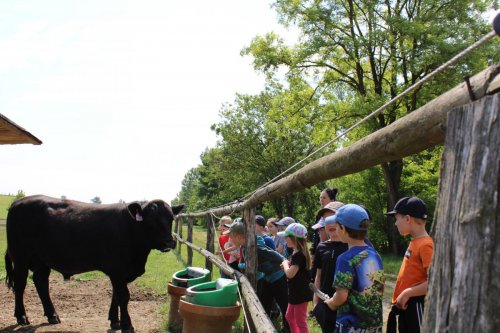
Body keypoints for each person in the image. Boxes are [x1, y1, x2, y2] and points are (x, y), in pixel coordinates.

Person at [325, 204, 385, 333]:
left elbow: (341, 296)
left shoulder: (345, 259)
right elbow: (380, 289)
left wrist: (331, 302)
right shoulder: (375, 254)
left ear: (342, 228)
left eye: (336, 226)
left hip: (351, 327)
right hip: (374, 326)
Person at [225, 222, 290, 332]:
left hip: (277, 276)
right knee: (264, 303)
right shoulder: (246, 246)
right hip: (267, 276)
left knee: (283, 302)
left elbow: (275, 255)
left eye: (231, 237)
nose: (230, 240)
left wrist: (285, 262)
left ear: (238, 236)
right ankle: (264, 325)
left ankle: (288, 328)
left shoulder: (256, 247)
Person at [385, 197, 434, 333]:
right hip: (408, 306)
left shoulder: (426, 245)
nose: (395, 224)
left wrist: (407, 293)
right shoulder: (415, 242)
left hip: (417, 305)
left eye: (397, 218)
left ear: (407, 218)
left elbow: (434, 282)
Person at [311, 202, 347, 333]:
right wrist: (316, 304)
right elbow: (318, 275)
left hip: (346, 308)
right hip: (325, 305)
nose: (330, 223)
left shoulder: (353, 246)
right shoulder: (322, 247)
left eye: (333, 218)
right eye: (326, 219)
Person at [279, 223, 313, 333]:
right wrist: (288, 263)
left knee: (300, 320)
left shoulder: (299, 255)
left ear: (294, 238)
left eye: (286, 237)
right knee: (289, 316)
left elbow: (290, 274)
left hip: (301, 293)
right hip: (295, 291)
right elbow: (295, 268)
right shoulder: (297, 252)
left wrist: (285, 264)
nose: (285, 239)